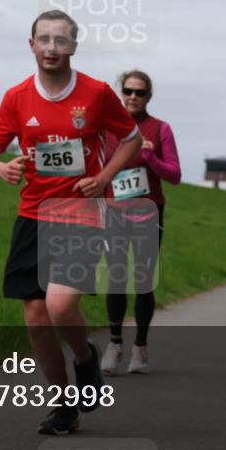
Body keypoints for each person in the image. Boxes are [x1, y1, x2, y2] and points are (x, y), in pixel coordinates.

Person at [0, 10, 142, 435]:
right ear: (31, 45)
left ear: (73, 46)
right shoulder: (17, 98)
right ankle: (64, 405)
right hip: (32, 214)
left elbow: (132, 141)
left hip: (79, 211)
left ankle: (84, 355)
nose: (52, 47)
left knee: (60, 304)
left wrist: (103, 178)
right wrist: (1, 170)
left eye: (61, 40)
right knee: (35, 317)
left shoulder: (97, 93)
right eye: (44, 39)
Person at [99, 70, 181, 376]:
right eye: (129, 91)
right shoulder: (106, 128)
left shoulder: (160, 129)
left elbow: (174, 175)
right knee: (116, 275)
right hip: (114, 211)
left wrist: (150, 158)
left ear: (149, 96)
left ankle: (140, 346)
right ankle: (115, 342)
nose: (133, 96)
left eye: (140, 92)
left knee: (143, 280)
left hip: (148, 212)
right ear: (121, 92)